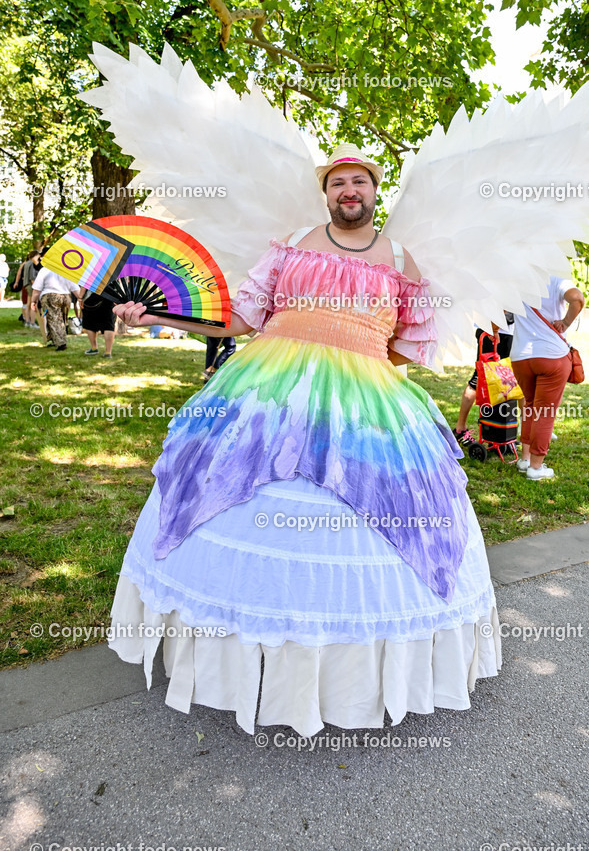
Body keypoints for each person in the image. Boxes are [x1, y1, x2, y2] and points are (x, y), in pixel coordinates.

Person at [108, 144, 500, 736]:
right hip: (267, 383)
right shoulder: (294, 240)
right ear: (326, 193)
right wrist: (160, 318)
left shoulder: (403, 260)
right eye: (339, 181)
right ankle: (244, 658)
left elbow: (404, 346)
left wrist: (357, 358)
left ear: (375, 191)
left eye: (360, 181)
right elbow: (239, 319)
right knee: (218, 486)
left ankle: (342, 677)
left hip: (366, 392)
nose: (350, 190)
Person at [510, 276, 585, 480]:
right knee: (544, 412)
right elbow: (577, 298)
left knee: (530, 406)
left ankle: (525, 459)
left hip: (521, 356)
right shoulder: (556, 279)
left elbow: (500, 312)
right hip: (551, 354)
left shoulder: (515, 279)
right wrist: (566, 322)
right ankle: (536, 467)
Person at [453, 316, 514, 446]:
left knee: (501, 383)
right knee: (479, 379)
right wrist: (495, 330)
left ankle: (497, 435)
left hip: (504, 332)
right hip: (492, 331)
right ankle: (460, 429)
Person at [30, 261, 80, 351]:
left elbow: (37, 288)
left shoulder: (44, 270)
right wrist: (80, 298)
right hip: (66, 297)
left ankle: (61, 343)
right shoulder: (67, 271)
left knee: (53, 319)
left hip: (50, 296)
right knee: (62, 319)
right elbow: (75, 287)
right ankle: (54, 339)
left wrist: (33, 301)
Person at [80, 289, 116, 357]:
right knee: (108, 325)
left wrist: (80, 297)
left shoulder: (92, 277)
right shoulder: (112, 277)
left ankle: (94, 348)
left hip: (92, 296)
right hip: (110, 296)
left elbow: (85, 284)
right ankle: (108, 352)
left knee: (90, 323)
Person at [22, 250, 41, 329]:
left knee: (28, 304)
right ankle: (32, 322)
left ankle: (27, 321)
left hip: (26, 284)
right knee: (33, 304)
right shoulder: (32, 263)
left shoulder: (26, 263)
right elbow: (32, 276)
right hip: (31, 285)